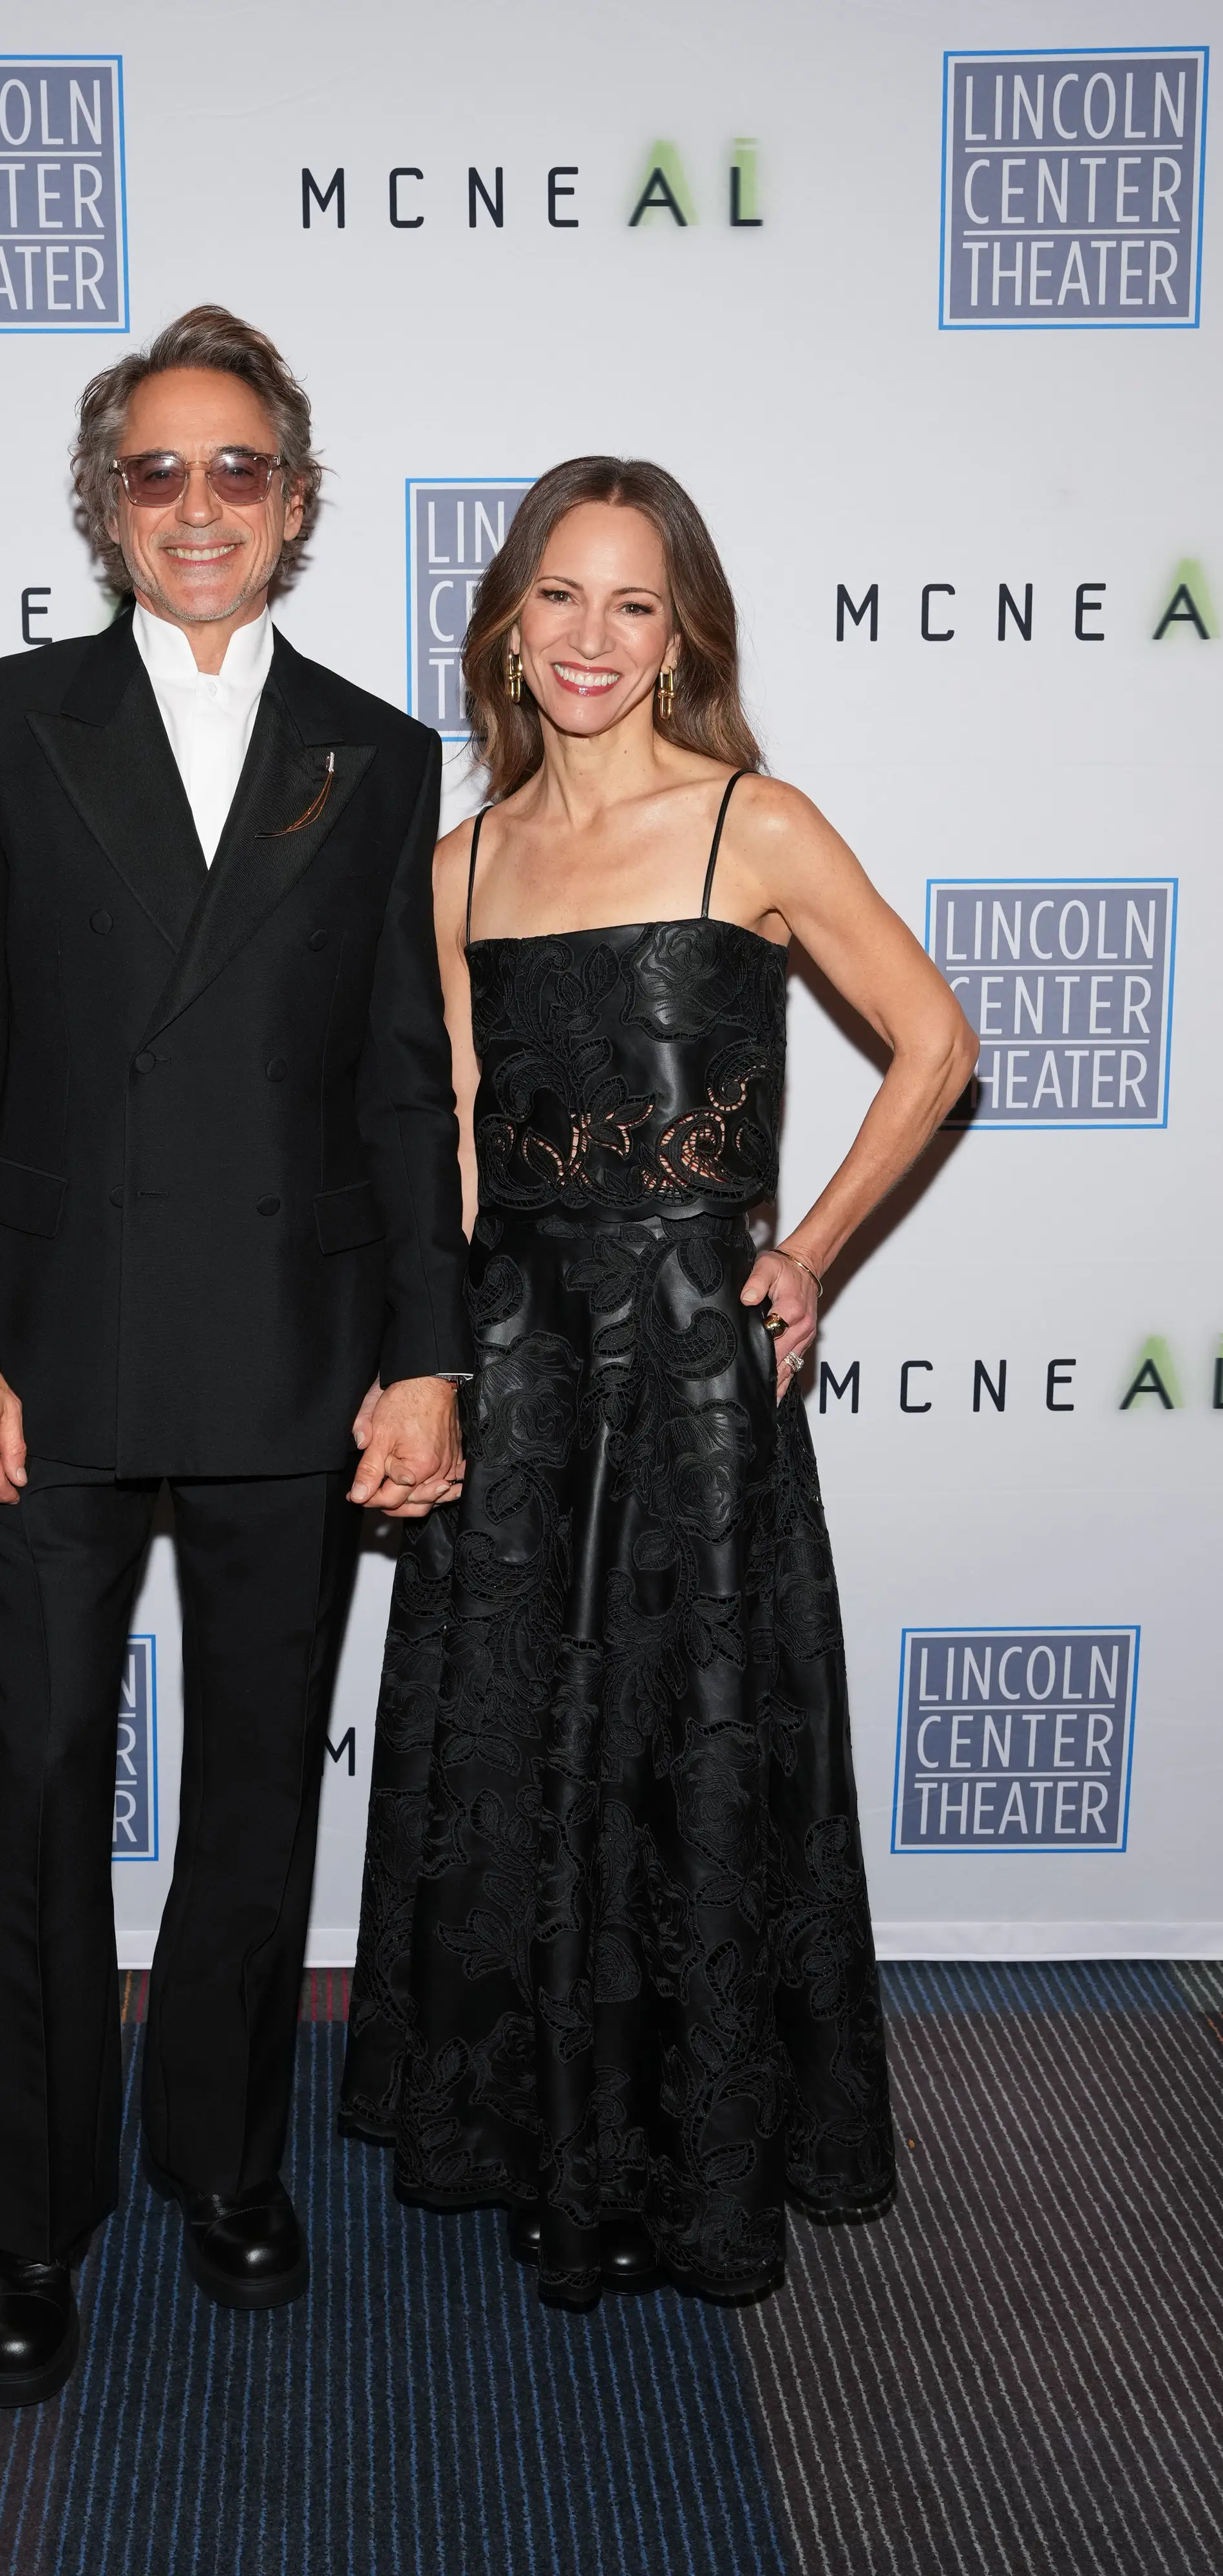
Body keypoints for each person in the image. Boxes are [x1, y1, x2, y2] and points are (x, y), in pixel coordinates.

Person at [0, 306, 471, 2407]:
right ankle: (27, 2224)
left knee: (247, 1797)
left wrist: (429, 1356)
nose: (199, 505)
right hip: (38, 1362)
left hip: (295, 1363)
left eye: (240, 471)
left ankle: (226, 2162)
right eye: (158, 471)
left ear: (295, 506)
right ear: (105, 504)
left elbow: (409, 1094)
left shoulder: (379, 753)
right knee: (34, 1787)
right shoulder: (3, 724)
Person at [341, 457, 976, 2309]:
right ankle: (554, 2146)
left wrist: (810, 1255)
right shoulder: (458, 866)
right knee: (526, 1751)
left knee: (678, 1759)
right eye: (560, 597)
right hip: (522, 1358)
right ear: (506, 626)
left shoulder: (749, 828)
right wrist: (422, 1367)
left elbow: (934, 1045)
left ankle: (687, 2159)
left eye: (635, 602)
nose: (594, 638)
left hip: (698, 1369)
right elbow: (458, 1139)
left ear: (681, 627)